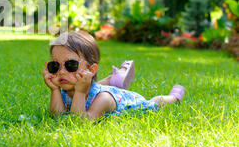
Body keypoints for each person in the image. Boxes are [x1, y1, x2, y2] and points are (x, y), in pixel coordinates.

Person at [42, 31, 186, 120]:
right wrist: (54, 89)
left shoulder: (103, 98)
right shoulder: (65, 90)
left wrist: (79, 92)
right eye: (54, 65)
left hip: (132, 103)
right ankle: (113, 79)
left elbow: (80, 122)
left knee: (154, 102)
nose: (61, 72)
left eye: (70, 65)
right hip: (91, 87)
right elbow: (57, 117)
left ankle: (174, 97)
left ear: (91, 70)